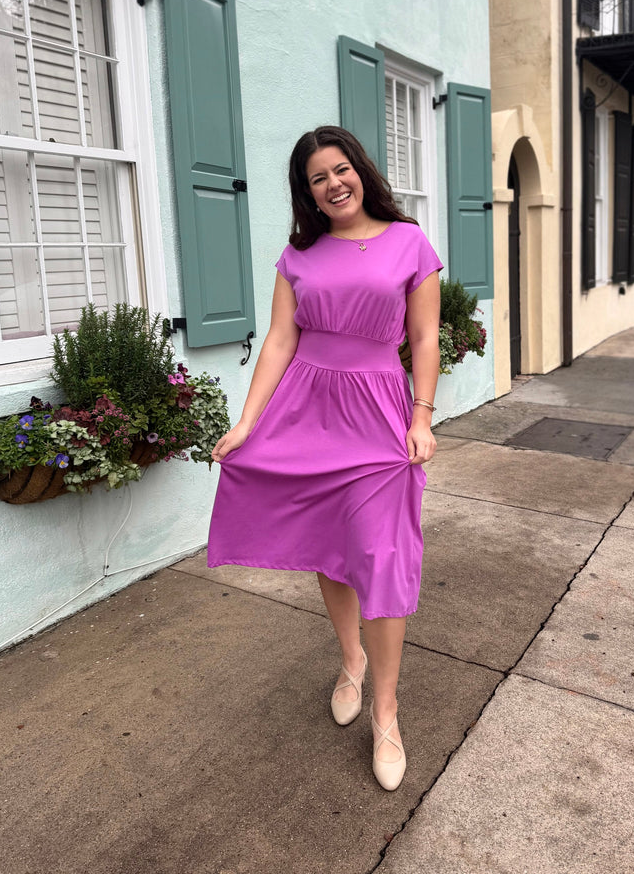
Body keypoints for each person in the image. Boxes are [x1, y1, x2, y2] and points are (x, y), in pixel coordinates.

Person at [207, 125, 442, 791]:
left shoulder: (408, 243)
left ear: (360, 171)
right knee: (328, 547)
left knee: (383, 560)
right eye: (318, 177)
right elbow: (280, 341)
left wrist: (422, 417)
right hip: (307, 411)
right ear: (305, 192)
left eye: (341, 169)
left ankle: (388, 714)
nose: (333, 183)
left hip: (377, 416)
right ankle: (351, 663)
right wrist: (248, 422)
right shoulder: (298, 255)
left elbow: (424, 337)